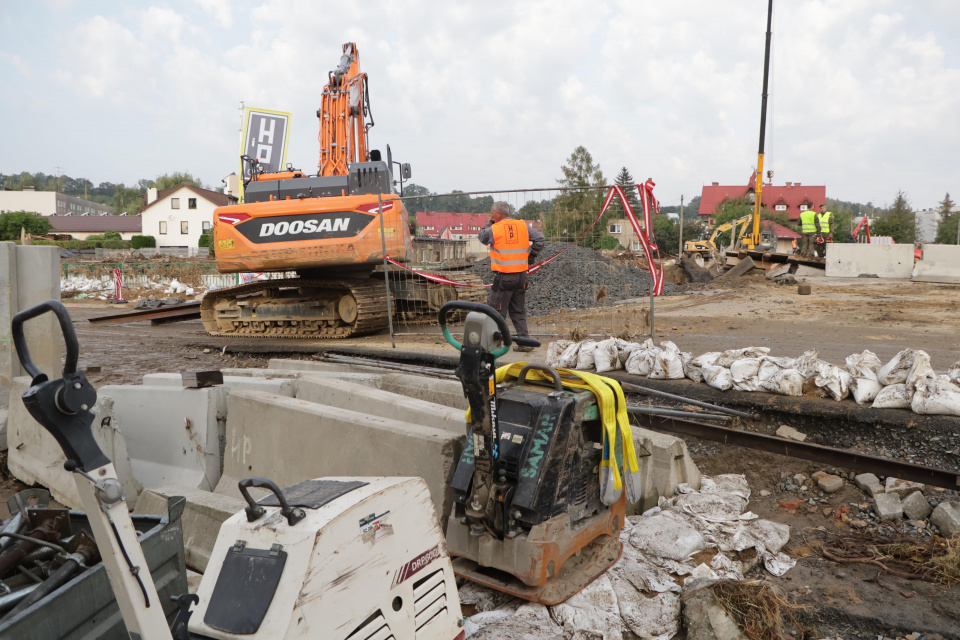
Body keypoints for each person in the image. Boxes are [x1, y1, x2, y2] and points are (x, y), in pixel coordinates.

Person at [479, 201, 545, 351]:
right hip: (521, 276)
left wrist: (489, 222)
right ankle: (525, 343)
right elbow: (540, 240)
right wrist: (530, 257)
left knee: (496, 311)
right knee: (518, 310)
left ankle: (492, 345)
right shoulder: (523, 226)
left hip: (504, 277)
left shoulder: (494, 229)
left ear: (499, 214)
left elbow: (482, 236)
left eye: (492, 213)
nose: (491, 216)